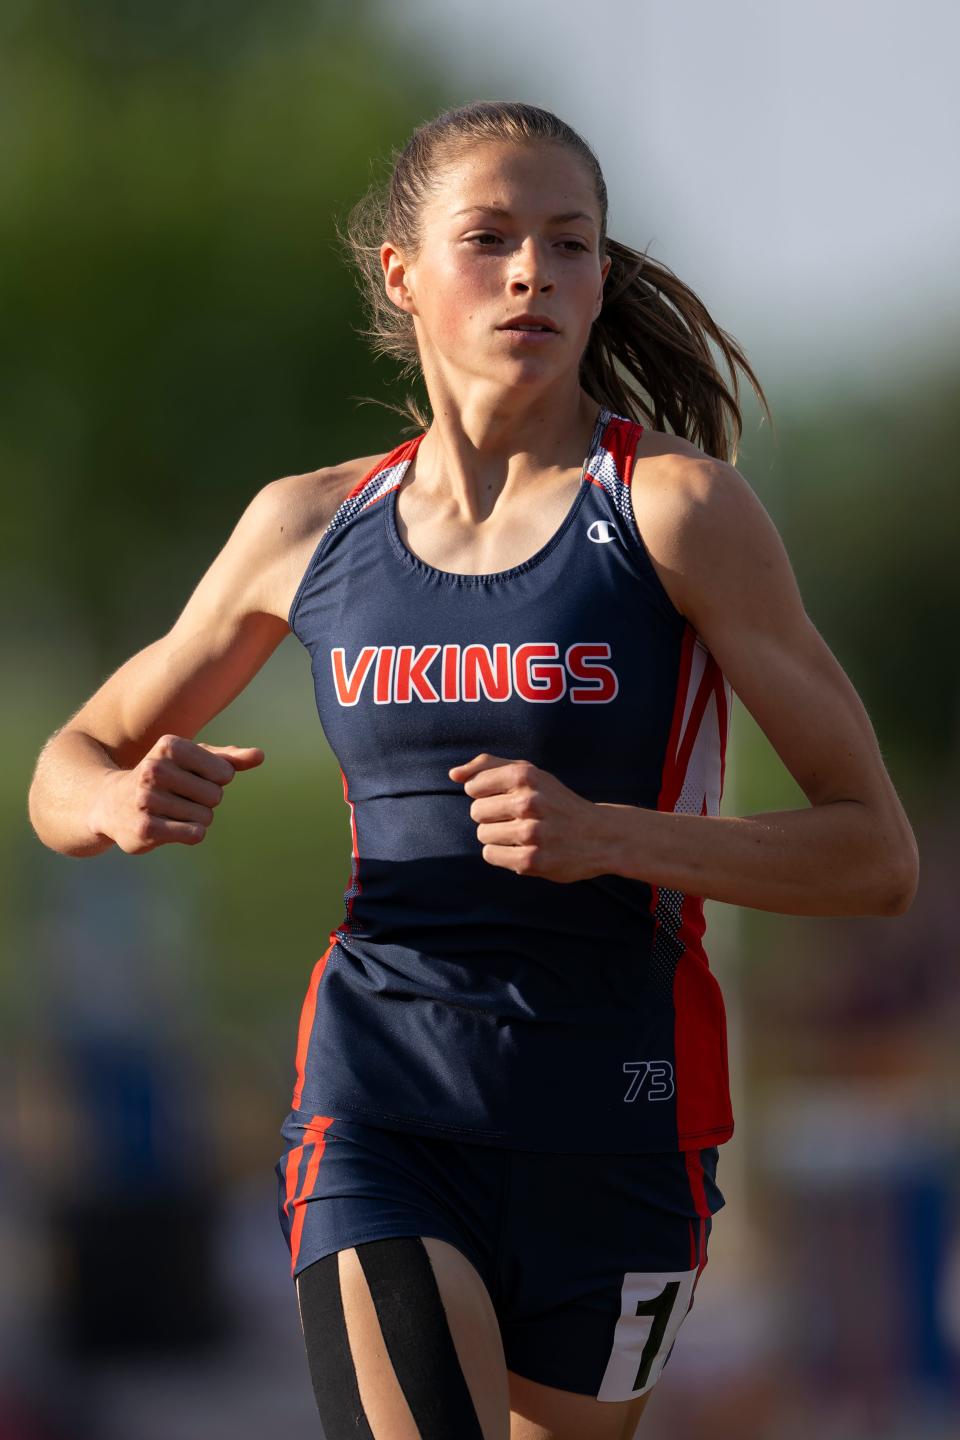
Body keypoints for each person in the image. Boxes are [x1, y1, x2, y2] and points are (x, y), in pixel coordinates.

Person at [28, 99, 919, 1440]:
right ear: (402, 272)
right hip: (381, 1097)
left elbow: (874, 854)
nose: (531, 275)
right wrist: (112, 798)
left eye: (569, 245)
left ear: (602, 276)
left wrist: (613, 835)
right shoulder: (311, 525)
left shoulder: (675, 513)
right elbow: (67, 763)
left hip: (621, 1115)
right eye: (490, 238)